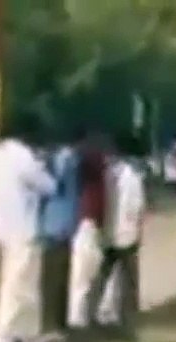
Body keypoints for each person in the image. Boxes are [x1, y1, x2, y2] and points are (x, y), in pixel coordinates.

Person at [0, 117, 56, 342]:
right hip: (23, 228)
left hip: (1, 225)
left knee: (8, 281)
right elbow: (48, 186)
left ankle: (8, 333)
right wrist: (43, 166)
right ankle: (6, 335)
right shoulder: (24, 157)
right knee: (18, 285)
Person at [87, 133, 146, 334]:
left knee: (104, 275)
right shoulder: (132, 176)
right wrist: (138, 231)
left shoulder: (108, 175)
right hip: (124, 233)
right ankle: (126, 316)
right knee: (126, 278)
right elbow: (137, 207)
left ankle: (93, 312)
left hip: (111, 232)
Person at [37, 130, 81, 336]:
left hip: (54, 224)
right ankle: (55, 322)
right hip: (61, 224)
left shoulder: (58, 160)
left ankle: (53, 322)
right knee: (58, 276)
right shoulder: (67, 161)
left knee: (54, 276)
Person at [68, 131, 110, 329]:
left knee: (88, 272)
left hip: (90, 223)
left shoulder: (91, 169)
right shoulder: (91, 169)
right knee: (83, 273)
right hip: (86, 223)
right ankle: (77, 317)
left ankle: (82, 314)